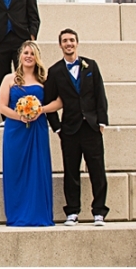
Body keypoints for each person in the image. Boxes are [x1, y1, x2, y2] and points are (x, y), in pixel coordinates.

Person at [44, 29, 110, 227]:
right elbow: (48, 101)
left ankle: (99, 211)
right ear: (60, 45)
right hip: (70, 130)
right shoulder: (55, 71)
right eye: (65, 41)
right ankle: (72, 211)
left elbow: (100, 95)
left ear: (77, 43)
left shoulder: (91, 66)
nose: (68, 44)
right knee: (70, 171)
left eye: (71, 40)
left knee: (97, 171)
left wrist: (102, 122)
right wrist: (57, 128)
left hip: (91, 127)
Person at [0, 40, 62, 226]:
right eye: (25, 52)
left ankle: (38, 214)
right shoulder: (9, 79)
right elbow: (2, 106)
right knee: (15, 170)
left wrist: (39, 110)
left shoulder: (45, 80)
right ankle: (17, 214)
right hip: (15, 131)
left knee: (37, 170)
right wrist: (20, 116)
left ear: (37, 58)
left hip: (37, 129)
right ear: (20, 56)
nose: (28, 56)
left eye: (32, 53)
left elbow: (59, 102)